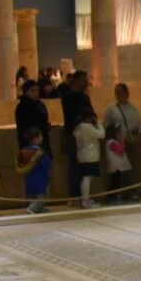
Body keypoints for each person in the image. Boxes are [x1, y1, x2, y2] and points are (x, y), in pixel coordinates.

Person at [102, 83, 141, 201]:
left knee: (130, 169)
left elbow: (140, 126)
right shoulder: (111, 109)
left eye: (120, 92)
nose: (118, 94)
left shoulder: (133, 109)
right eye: (116, 92)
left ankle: (130, 191)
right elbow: (105, 125)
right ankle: (115, 194)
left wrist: (138, 136)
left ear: (126, 93)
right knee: (117, 170)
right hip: (116, 145)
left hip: (130, 143)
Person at [60, 71, 95, 203]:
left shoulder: (84, 97)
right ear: (77, 80)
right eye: (84, 80)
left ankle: (84, 196)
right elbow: (70, 118)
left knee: (85, 167)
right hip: (74, 136)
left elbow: (91, 113)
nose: (86, 83)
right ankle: (74, 198)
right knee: (75, 166)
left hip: (86, 136)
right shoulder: (68, 96)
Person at [72, 111, 105, 209]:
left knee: (86, 178)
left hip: (82, 156)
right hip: (90, 156)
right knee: (87, 178)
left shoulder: (78, 127)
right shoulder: (87, 127)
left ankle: (85, 199)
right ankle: (85, 200)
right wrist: (98, 124)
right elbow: (102, 135)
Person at [17, 127, 52, 214]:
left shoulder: (24, 151)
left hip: (29, 177)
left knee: (32, 194)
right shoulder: (40, 152)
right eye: (40, 136)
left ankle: (38, 209)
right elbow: (46, 165)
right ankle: (33, 208)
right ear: (36, 138)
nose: (42, 138)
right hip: (40, 177)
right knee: (43, 194)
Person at [15, 80, 52, 157]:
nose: (35, 93)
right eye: (32, 91)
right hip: (30, 142)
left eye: (37, 91)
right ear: (26, 92)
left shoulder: (39, 104)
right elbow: (23, 128)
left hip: (42, 139)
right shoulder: (22, 107)